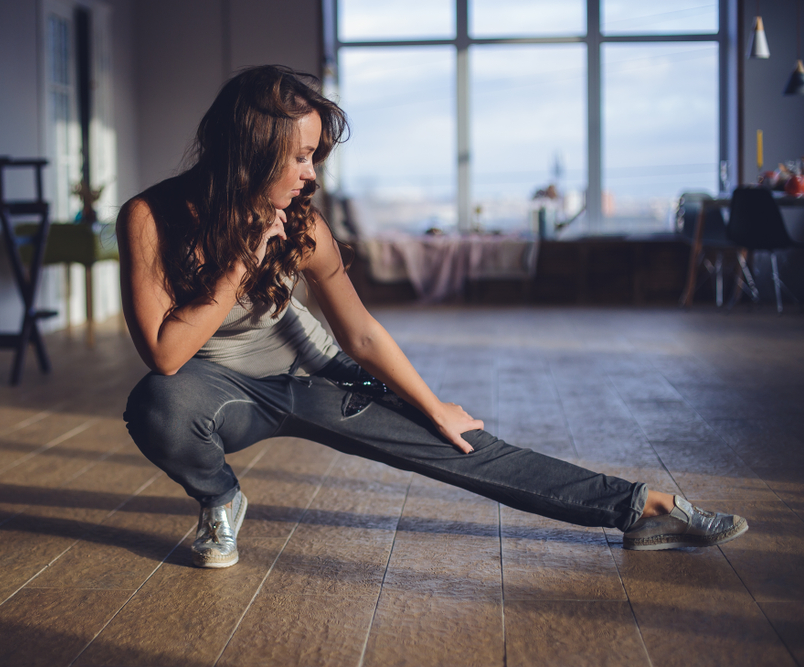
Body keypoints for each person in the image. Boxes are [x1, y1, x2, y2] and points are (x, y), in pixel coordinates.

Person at [118, 65, 747, 569]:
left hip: (323, 376)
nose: (311, 174)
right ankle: (221, 500)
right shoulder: (151, 218)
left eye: (315, 156)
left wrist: (430, 403)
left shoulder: (302, 225)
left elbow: (359, 333)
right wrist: (239, 264)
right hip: (222, 391)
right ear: (252, 153)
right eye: (302, 156)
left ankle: (640, 509)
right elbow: (166, 355)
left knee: (459, 443)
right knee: (157, 404)